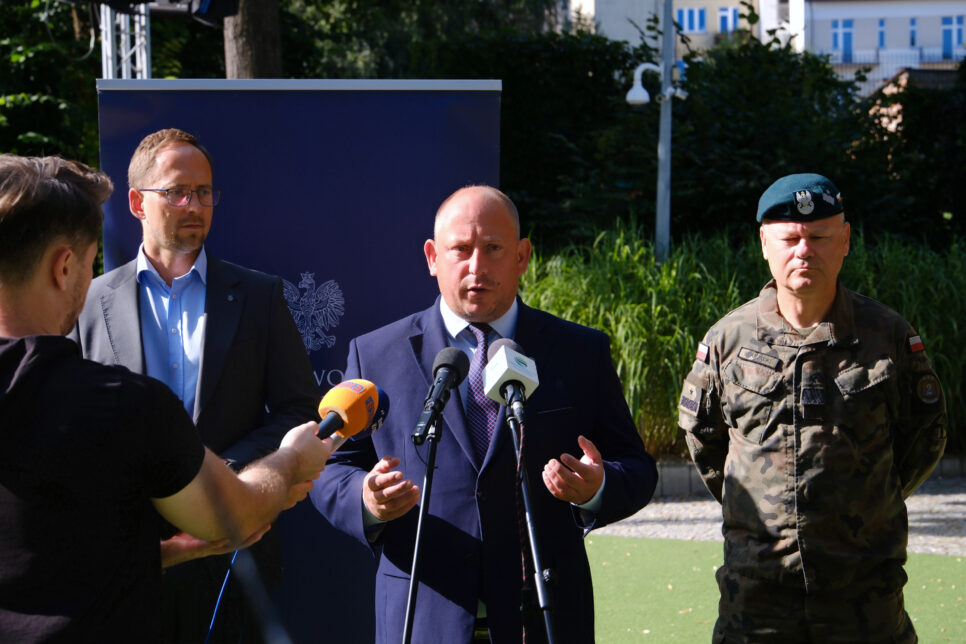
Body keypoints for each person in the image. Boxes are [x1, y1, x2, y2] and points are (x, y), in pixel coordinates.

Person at [0, 154, 333, 642]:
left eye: (204, 192)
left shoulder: (259, 296)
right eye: (177, 192)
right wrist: (287, 462)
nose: (194, 204)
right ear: (65, 267)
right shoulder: (128, 396)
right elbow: (235, 511)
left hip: (214, 572)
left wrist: (167, 540)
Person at [311, 185, 657, 643]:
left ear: (522, 257)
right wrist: (365, 498)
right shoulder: (376, 354)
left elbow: (635, 467)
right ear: (433, 257)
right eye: (461, 250)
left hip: (545, 618)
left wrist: (597, 487)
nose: (477, 267)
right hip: (421, 616)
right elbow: (330, 465)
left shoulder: (579, 351)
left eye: (494, 249)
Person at [678, 173, 947, 643]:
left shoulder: (887, 335)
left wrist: (864, 507)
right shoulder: (729, 340)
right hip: (758, 599)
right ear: (765, 243)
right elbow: (705, 441)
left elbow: (924, 437)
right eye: (791, 238)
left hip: (863, 597)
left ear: (845, 241)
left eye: (819, 237)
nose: (804, 250)